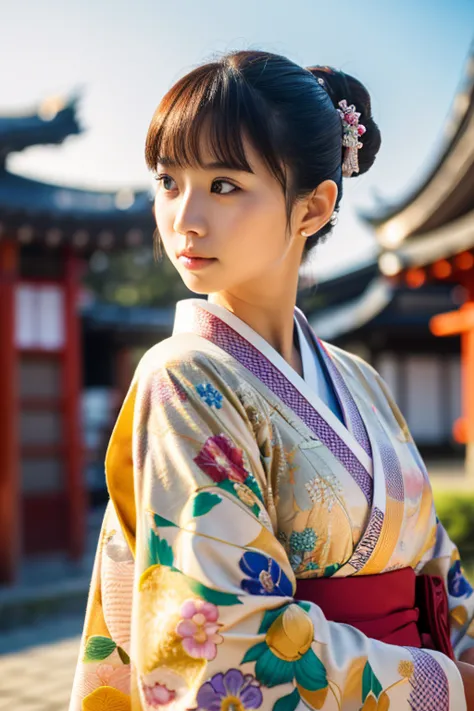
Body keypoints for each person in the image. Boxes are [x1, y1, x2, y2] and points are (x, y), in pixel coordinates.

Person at [70, 50, 474, 711]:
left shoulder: (359, 381)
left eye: (224, 184)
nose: (184, 219)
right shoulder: (184, 374)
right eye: (169, 182)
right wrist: (444, 687)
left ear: (312, 207)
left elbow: (439, 568)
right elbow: (220, 643)